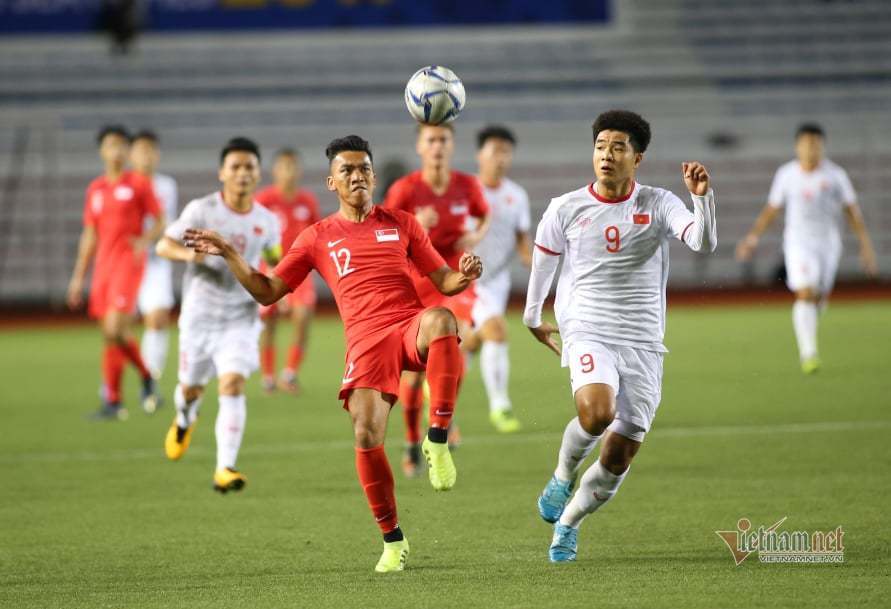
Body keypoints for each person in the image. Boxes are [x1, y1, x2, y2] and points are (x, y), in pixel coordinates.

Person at [181, 135, 482, 572]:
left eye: (364, 169)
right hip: (365, 341)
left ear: (375, 177)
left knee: (441, 319)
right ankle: (393, 539)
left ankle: (436, 437)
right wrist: (230, 253)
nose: (357, 176)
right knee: (365, 434)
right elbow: (268, 293)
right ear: (331, 182)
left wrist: (464, 275)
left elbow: (444, 281)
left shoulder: (402, 224)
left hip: (406, 326)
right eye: (347, 171)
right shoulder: (317, 237)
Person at [524, 110, 717, 562]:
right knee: (596, 413)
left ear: (638, 157)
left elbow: (702, 243)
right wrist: (533, 315)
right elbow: (543, 263)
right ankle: (562, 473)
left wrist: (702, 200)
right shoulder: (566, 207)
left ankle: (569, 523)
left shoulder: (659, 203)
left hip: (645, 341)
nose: (606, 155)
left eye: (617, 147)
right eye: (600, 146)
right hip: (587, 326)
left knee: (619, 457)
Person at [156, 137, 282, 494]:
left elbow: (275, 257)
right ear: (222, 173)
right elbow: (164, 244)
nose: (242, 173)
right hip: (199, 316)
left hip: (241, 317)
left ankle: (224, 467)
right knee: (191, 388)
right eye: (236, 167)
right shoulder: (202, 211)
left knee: (232, 383)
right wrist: (190, 257)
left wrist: (282, 282)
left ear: (258, 174)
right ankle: (184, 417)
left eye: (249, 167)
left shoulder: (267, 220)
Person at [383, 123, 490, 474]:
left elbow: (484, 213)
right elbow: (381, 232)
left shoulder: (467, 185)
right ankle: (412, 441)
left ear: (452, 145)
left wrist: (475, 234)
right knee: (413, 376)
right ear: (419, 146)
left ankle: (441, 421)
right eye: (431, 139)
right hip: (418, 280)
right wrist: (413, 223)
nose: (437, 146)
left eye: (443, 139)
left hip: (456, 276)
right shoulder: (405, 189)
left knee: (459, 342)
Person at [736, 123, 878, 373]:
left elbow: (852, 212)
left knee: (817, 298)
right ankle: (809, 354)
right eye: (806, 144)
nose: (811, 149)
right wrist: (752, 238)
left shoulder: (835, 176)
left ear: (822, 146)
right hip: (797, 243)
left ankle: (808, 335)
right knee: (804, 292)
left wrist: (866, 247)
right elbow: (772, 209)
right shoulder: (786, 175)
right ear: (797, 146)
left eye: (815, 144)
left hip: (829, 245)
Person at [66, 125, 164, 420]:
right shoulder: (96, 189)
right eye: (111, 145)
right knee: (110, 336)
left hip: (128, 264)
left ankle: (145, 378)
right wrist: (77, 278)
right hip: (103, 268)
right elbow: (90, 235)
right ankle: (115, 400)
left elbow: (159, 221)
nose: (117, 151)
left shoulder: (138, 184)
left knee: (114, 329)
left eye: (122, 145)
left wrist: (144, 241)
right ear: (102, 151)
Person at [470, 125, 532, 433]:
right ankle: (500, 407)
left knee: (468, 342)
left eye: (506, 151)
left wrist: (529, 256)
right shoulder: (466, 190)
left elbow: (522, 236)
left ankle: (435, 393)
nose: (501, 157)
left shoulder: (516, 195)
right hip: (464, 281)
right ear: (480, 155)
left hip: (497, 282)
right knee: (496, 331)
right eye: (495, 150)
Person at [255, 148, 321, 394]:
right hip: (270, 269)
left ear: (299, 170)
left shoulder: (307, 201)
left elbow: (317, 235)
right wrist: (271, 268)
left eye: (292, 167)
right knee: (268, 323)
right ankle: (268, 377)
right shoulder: (265, 200)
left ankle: (290, 374)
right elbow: (256, 236)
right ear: (275, 170)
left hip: (301, 270)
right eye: (284, 166)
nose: (288, 172)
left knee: (303, 317)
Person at [131, 130, 178, 382]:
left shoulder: (165, 185)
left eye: (150, 150)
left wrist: (146, 241)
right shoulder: (122, 184)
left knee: (157, 317)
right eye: (140, 150)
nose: (146, 156)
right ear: (131, 155)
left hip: (156, 260)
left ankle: (151, 376)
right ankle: (112, 386)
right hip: (126, 261)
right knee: (118, 326)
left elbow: (164, 221)